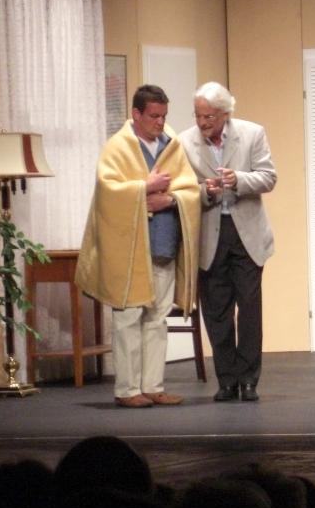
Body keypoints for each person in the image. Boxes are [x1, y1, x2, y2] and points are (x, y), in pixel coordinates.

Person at [76, 84, 201, 408]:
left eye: (163, 116)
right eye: (154, 116)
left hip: (163, 244)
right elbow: (107, 192)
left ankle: (153, 386)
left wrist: (169, 199)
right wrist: (144, 187)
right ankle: (127, 389)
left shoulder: (171, 145)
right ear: (136, 114)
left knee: (157, 319)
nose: (160, 122)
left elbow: (189, 189)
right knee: (128, 318)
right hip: (130, 250)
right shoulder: (117, 147)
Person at [178, 81, 276, 402]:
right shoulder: (185, 142)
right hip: (210, 233)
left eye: (208, 116)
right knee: (217, 311)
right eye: (198, 115)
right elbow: (182, 189)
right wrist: (205, 191)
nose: (202, 122)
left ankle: (248, 380)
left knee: (248, 309)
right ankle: (227, 380)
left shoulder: (252, 133)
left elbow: (268, 177)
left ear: (224, 114)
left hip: (246, 233)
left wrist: (239, 180)